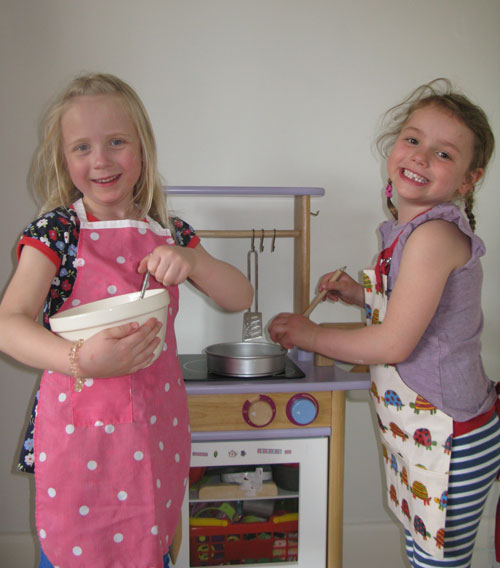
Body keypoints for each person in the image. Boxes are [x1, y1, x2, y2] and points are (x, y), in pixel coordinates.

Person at [0, 72, 253, 568]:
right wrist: (80, 358)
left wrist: (195, 261)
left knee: (150, 549)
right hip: (80, 437)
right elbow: (9, 323)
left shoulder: (171, 232)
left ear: (143, 147)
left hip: (153, 433)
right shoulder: (56, 232)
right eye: (82, 147)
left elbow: (240, 296)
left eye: (117, 142)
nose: (101, 160)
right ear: (63, 159)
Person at [269, 78, 499, 568]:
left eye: (443, 153)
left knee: (437, 561)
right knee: (422, 553)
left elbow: (395, 341)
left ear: (466, 180)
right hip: (423, 432)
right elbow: (414, 309)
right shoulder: (407, 231)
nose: (419, 156)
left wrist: (309, 333)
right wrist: (358, 293)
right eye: (413, 140)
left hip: (449, 437)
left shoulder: (434, 236)